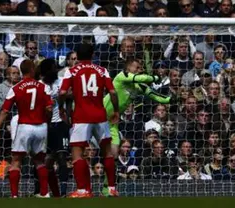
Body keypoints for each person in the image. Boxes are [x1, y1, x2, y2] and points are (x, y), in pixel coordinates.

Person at [102, 58, 171, 196]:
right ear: (128, 69)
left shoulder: (139, 87)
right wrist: (156, 77)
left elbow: (156, 96)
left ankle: (107, 189)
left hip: (112, 123)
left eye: (141, 68)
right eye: (137, 67)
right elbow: (141, 77)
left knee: (114, 155)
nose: (140, 70)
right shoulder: (122, 76)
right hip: (98, 117)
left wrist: (171, 99)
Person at [58, 43, 120, 198]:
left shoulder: (71, 71)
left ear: (77, 56)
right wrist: (116, 110)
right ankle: (112, 189)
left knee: (77, 154)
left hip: (81, 117)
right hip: (100, 116)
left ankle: (82, 191)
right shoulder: (102, 70)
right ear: (93, 55)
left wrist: (61, 108)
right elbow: (112, 92)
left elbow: (63, 92)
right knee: (107, 153)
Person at [0, 60, 53, 198]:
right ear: (32, 69)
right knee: (39, 161)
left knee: (16, 161)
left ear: (21, 71)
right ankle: (44, 193)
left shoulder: (16, 88)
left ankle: (14, 195)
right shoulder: (44, 87)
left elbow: (5, 110)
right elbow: (49, 108)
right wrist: (46, 120)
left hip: (24, 126)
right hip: (41, 127)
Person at [32, 59, 70, 197]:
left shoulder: (61, 81)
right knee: (43, 159)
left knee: (62, 156)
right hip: (44, 125)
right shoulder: (39, 86)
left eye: (55, 68)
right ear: (45, 71)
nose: (55, 71)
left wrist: (64, 96)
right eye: (52, 68)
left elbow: (70, 94)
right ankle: (38, 190)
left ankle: (64, 192)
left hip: (60, 124)